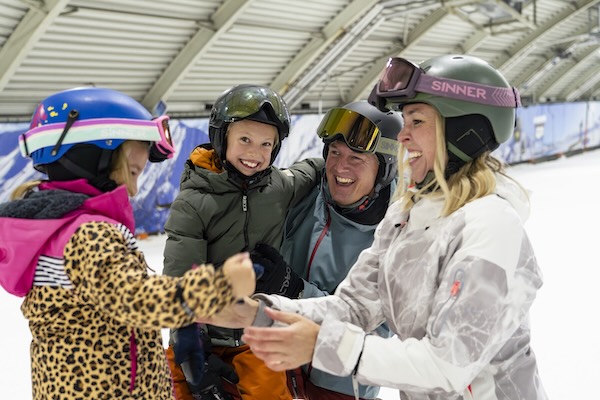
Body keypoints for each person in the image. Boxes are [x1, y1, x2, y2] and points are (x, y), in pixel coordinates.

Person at [206, 55, 548, 400]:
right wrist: (259, 312)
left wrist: (322, 345)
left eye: (416, 121)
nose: (403, 136)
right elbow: (352, 307)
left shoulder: (490, 226)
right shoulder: (406, 215)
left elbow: (448, 365)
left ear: (463, 129)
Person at [0, 87, 257, 400]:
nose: (134, 191)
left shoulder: (58, 228)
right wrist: (215, 288)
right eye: (131, 172)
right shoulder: (91, 234)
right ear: (92, 156)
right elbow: (134, 298)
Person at [162, 84, 323, 400]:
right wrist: (193, 353)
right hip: (202, 331)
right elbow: (181, 278)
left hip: (256, 333)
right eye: (245, 140)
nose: (254, 153)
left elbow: (313, 170)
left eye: (266, 144)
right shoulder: (195, 201)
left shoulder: (279, 187)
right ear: (222, 138)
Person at [250, 100, 402, 400]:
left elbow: (374, 334)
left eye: (357, 158)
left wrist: (294, 289)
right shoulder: (308, 195)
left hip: (339, 384)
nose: (340, 167)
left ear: (383, 169)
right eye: (334, 153)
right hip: (276, 366)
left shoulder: (397, 235)